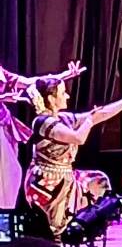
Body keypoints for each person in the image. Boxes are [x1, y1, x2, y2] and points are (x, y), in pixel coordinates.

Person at [24, 77, 122, 237]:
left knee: (98, 182)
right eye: (63, 93)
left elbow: (100, 115)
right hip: (47, 183)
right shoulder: (42, 122)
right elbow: (78, 138)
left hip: (65, 178)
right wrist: (89, 120)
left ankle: (89, 228)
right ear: (51, 99)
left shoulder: (63, 118)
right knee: (54, 232)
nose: (67, 96)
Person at [0, 61, 85, 209]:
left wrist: (64, 75)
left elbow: (28, 82)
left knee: (10, 174)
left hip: (4, 126)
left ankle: (4, 215)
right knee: (7, 173)